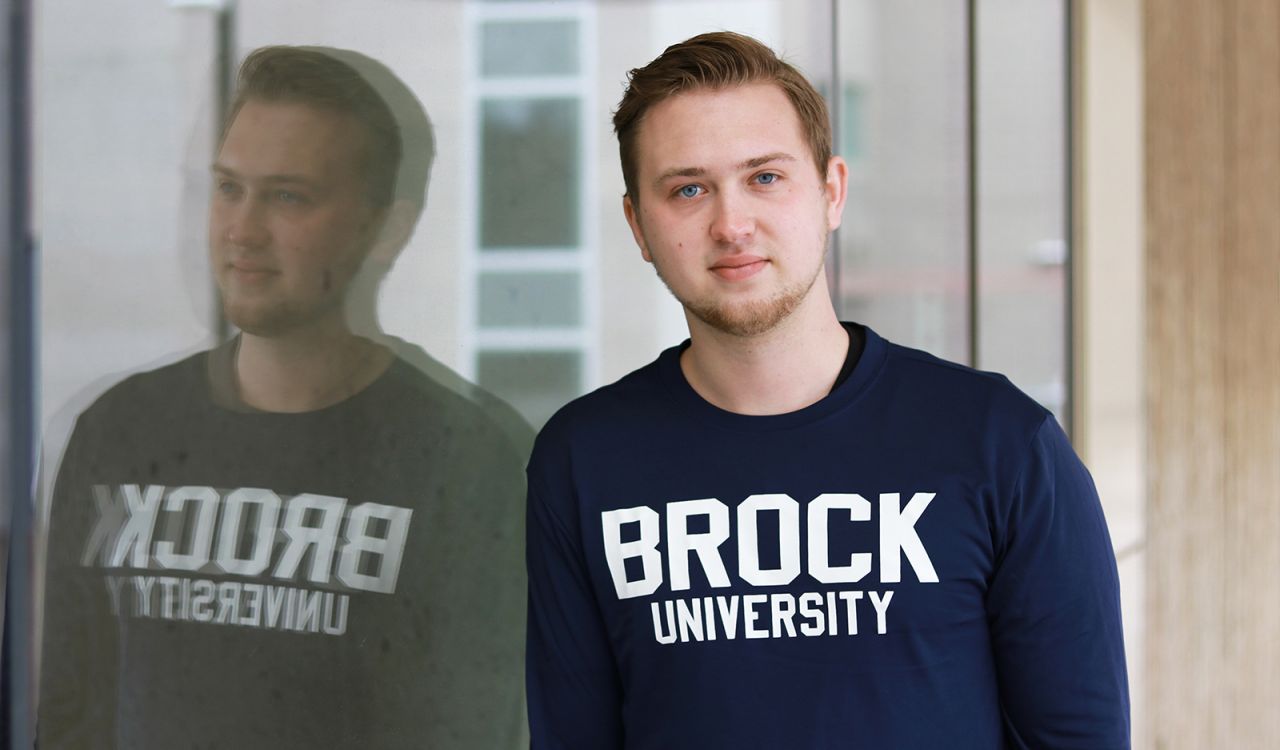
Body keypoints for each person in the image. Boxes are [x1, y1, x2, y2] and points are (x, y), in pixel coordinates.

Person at [525, 31, 1129, 749]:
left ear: (832, 191)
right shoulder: (585, 459)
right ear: (639, 226)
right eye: (688, 189)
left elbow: (1080, 737)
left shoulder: (999, 443)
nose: (731, 223)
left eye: (766, 177)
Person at [39, 46, 528, 749]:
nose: (242, 229)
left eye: (287, 196)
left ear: (386, 227)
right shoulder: (119, 430)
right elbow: (66, 713)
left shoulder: (470, 457)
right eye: (229, 188)